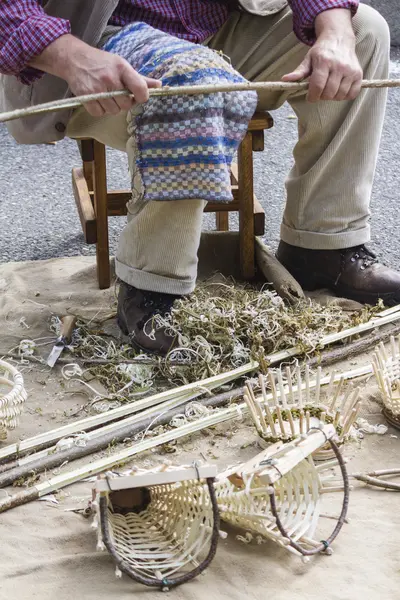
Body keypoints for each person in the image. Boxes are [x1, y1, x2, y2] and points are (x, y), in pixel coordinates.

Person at [0, 0, 398, 356]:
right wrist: (71, 57)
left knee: (364, 31)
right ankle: (151, 285)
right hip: (96, 45)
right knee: (193, 79)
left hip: (222, 27)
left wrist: (335, 28)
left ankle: (322, 248)